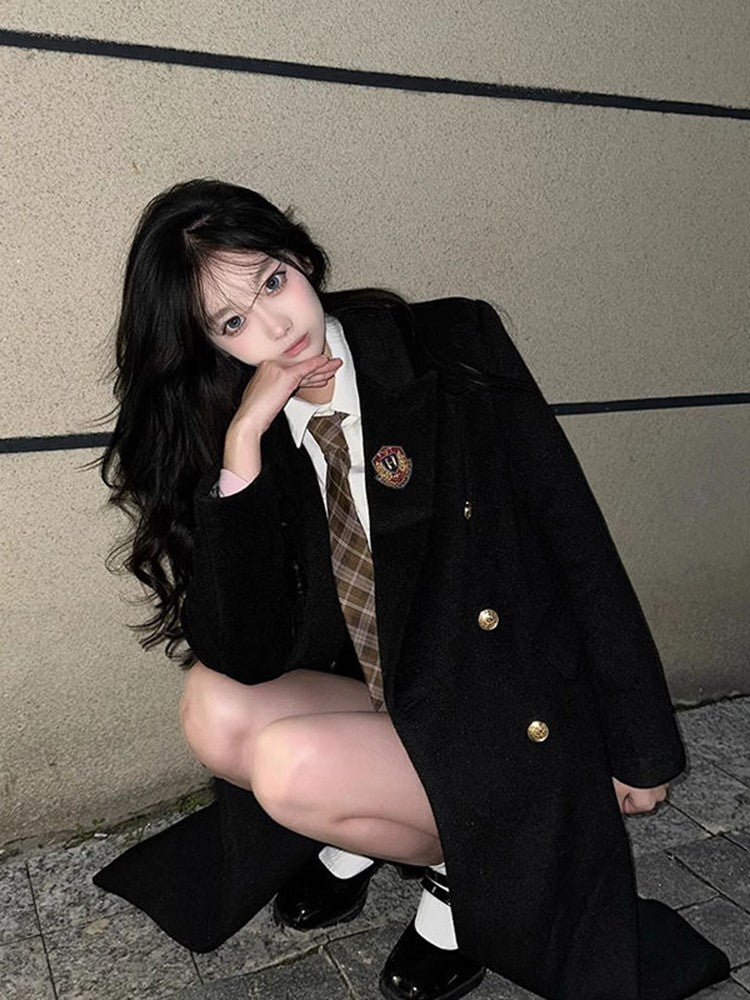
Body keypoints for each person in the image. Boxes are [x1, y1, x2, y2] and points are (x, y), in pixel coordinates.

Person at [94, 178, 730, 1000]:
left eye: (273, 282)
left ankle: (461, 877)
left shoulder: (449, 347)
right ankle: (368, 826)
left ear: (301, 257)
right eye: (232, 323)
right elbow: (244, 652)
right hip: (396, 695)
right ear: (208, 344)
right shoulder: (241, 421)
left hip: (501, 707)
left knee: (287, 769)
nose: (277, 327)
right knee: (212, 707)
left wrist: (640, 747)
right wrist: (244, 446)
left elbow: (572, 533)